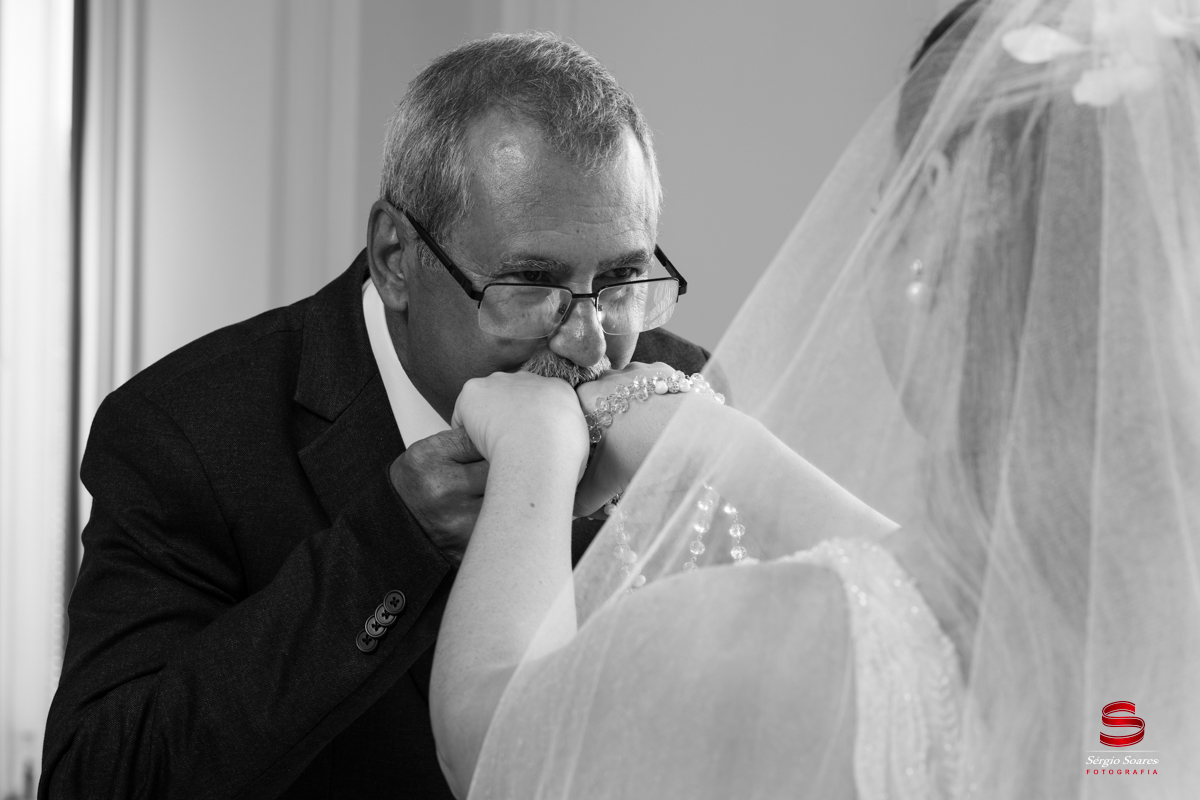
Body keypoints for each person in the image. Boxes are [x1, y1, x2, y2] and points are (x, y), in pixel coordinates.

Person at [429, 0, 1200, 797]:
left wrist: (535, 454)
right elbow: (934, 596)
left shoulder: (758, 648)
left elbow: (491, 745)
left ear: (937, 207)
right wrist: (702, 442)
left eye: (884, 204)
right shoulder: (1145, 630)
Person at [39, 33, 711, 798]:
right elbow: (98, 780)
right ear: (396, 258)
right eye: (531, 282)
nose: (590, 343)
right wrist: (390, 546)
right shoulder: (186, 432)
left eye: (621, 279)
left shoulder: (680, 394)